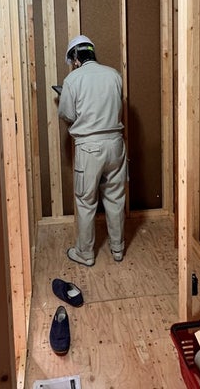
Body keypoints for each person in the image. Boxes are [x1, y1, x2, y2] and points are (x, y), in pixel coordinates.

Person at [58, 35, 127, 266]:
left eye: (72, 62)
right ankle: (118, 249)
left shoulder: (72, 80)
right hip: (116, 144)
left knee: (86, 202)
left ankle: (85, 254)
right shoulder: (114, 75)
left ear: (76, 58)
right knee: (115, 198)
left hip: (89, 148)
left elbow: (67, 114)